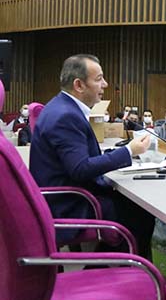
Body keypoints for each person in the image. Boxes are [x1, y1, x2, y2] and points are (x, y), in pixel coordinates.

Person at [29, 54, 153, 256]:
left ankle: (106, 263)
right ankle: (129, 269)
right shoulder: (66, 116)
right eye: (99, 79)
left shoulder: (61, 107)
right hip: (70, 205)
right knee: (141, 213)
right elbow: (80, 169)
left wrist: (120, 153)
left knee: (132, 205)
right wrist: (129, 151)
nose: (105, 84)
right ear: (79, 85)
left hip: (65, 196)